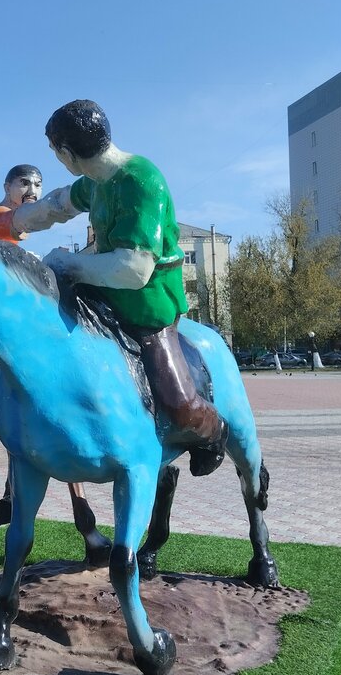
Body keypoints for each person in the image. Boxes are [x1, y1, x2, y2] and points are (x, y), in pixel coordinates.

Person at [14, 98, 229, 476]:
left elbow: (133, 269)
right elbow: (60, 203)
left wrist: (69, 263)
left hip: (147, 306)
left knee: (180, 403)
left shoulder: (141, 181)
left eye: (56, 152)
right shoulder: (96, 181)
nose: (58, 160)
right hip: (99, 290)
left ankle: (214, 431)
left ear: (66, 152)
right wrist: (16, 221)